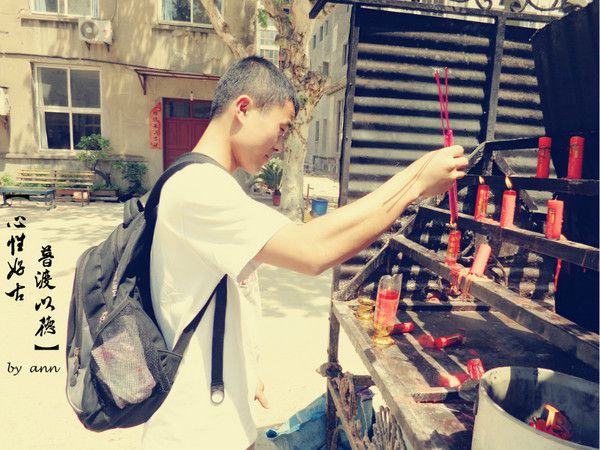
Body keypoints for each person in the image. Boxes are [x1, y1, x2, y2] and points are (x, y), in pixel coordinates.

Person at [142, 56, 467, 450]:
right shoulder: (199, 188)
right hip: (195, 434)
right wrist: (413, 183)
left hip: (210, 418)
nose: (280, 146)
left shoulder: (199, 182)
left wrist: (241, 372)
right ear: (243, 108)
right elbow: (312, 249)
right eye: (281, 129)